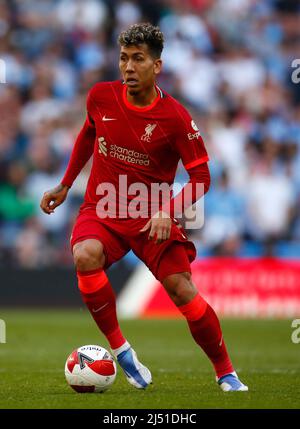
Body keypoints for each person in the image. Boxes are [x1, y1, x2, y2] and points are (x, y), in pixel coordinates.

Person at [40, 23, 248, 392]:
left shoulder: (176, 118)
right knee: (84, 255)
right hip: (102, 209)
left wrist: (169, 210)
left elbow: (202, 177)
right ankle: (122, 351)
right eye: (123, 58)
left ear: (157, 66)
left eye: (138, 59)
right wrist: (65, 183)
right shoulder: (101, 97)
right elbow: (88, 134)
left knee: (181, 290)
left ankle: (226, 373)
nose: (128, 67)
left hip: (152, 216)